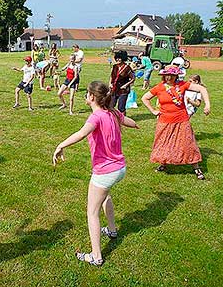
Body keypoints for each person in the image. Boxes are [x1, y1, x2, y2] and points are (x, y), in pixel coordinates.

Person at [53, 81, 139, 266]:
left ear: (92, 97)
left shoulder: (97, 117)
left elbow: (81, 133)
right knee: (105, 196)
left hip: (105, 171)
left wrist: (60, 145)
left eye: (86, 94)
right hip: (119, 169)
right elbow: (128, 121)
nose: (85, 96)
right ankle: (112, 230)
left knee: (92, 212)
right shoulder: (113, 112)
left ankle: (96, 256)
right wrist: (136, 125)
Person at [141, 65, 211, 180]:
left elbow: (202, 89)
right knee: (164, 143)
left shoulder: (183, 85)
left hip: (181, 119)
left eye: (172, 75)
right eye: (167, 75)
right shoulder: (159, 87)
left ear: (176, 75)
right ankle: (164, 163)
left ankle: (196, 168)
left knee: (188, 144)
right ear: (163, 75)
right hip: (164, 121)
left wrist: (207, 105)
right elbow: (145, 98)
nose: (169, 77)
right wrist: (153, 110)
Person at [109, 50, 135, 115]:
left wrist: (126, 85)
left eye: (119, 58)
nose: (118, 59)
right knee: (111, 105)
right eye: (117, 58)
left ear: (123, 58)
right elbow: (111, 76)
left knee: (121, 107)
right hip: (114, 88)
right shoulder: (114, 66)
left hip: (123, 90)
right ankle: (111, 118)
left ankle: (123, 119)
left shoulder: (127, 68)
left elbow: (133, 78)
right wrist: (110, 83)